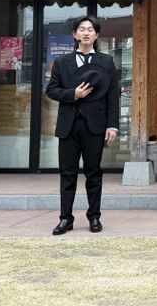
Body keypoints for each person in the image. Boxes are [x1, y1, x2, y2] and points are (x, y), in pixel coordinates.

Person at [46, 16, 119, 235]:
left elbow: (112, 96)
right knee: (67, 173)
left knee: (93, 173)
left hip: (95, 126)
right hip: (68, 125)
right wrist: (73, 94)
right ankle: (65, 219)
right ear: (75, 34)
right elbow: (51, 90)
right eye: (82, 29)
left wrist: (112, 125)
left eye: (90, 29)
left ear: (96, 35)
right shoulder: (62, 62)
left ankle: (94, 217)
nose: (86, 33)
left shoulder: (107, 62)